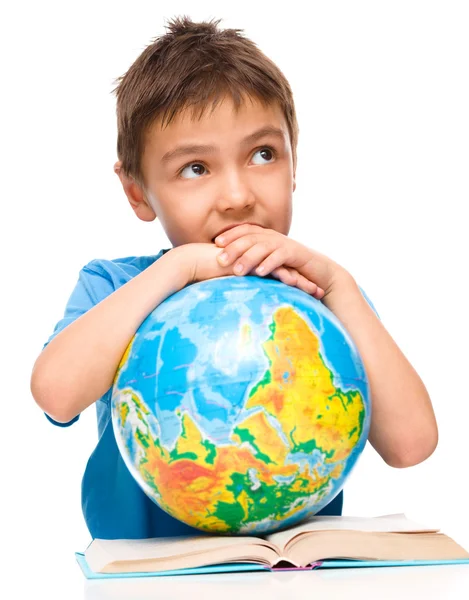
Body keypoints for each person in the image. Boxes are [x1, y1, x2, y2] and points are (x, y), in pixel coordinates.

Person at [30, 16, 438, 541]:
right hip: (146, 579)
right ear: (136, 192)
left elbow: (412, 445)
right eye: (196, 168)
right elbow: (55, 394)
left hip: (289, 576)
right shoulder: (116, 285)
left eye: (263, 155)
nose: (238, 196)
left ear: (294, 164)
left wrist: (340, 285)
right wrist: (178, 268)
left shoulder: (318, 300)